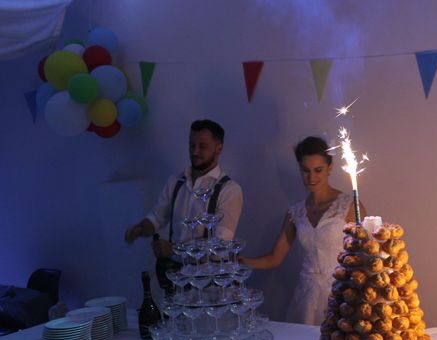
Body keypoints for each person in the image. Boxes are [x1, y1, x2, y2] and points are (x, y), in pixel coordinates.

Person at [241, 136, 366, 326]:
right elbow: (274, 258)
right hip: (306, 298)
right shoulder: (295, 212)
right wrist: (237, 261)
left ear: (330, 167)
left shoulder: (348, 205)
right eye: (305, 171)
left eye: (318, 170)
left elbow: (365, 257)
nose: (311, 177)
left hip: (342, 295)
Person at [124, 119, 243, 289]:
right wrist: (140, 228)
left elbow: (220, 248)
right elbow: (157, 217)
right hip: (176, 277)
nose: (195, 151)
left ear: (219, 148)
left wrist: (173, 250)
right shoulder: (175, 181)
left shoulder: (230, 190)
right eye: (191, 144)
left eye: (202, 146)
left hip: (210, 282)